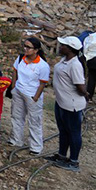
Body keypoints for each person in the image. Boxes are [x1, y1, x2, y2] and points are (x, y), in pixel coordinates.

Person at [48, 35, 87, 172]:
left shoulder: (75, 65)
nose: (60, 47)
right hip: (61, 102)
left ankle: (74, 161)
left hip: (71, 105)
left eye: (63, 45)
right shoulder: (65, 60)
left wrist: (86, 94)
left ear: (70, 49)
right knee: (63, 131)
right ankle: (62, 155)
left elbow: (81, 87)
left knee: (74, 133)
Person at [8, 36, 50, 154]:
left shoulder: (42, 65)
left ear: (36, 50)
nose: (26, 49)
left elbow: (42, 83)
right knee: (16, 116)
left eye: (29, 47)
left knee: (34, 121)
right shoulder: (21, 58)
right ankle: (16, 140)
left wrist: (36, 97)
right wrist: (13, 86)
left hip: (32, 95)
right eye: (25, 46)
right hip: (19, 91)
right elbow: (15, 70)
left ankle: (36, 147)